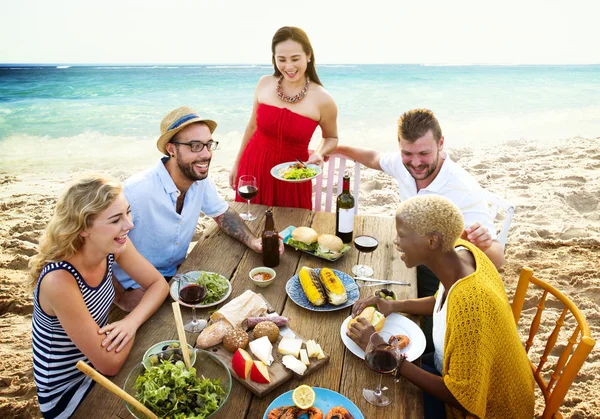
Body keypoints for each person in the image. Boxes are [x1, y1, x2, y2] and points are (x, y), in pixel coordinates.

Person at [348, 195, 534, 419]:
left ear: (432, 241)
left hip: (486, 407)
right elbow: (443, 302)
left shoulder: (471, 303)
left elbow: (462, 397)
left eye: (402, 235)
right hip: (453, 372)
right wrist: (392, 305)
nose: (396, 241)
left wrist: (384, 352)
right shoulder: (462, 253)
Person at [335, 108, 504, 352]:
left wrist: (485, 243)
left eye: (424, 153)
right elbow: (374, 158)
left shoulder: (464, 189)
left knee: (418, 347)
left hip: (443, 273)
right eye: (407, 153)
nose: (415, 162)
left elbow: (497, 261)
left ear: (441, 143)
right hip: (417, 261)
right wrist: (336, 148)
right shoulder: (403, 163)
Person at [113, 106, 282, 311]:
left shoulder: (199, 180)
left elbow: (222, 213)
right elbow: (95, 247)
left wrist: (253, 241)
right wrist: (120, 296)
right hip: (136, 288)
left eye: (208, 145)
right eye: (195, 146)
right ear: (171, 149)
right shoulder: (136, 191)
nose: (206, 154)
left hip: (179, 278)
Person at [29, 175, 169, 418]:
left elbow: (159, 285)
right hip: (68, 392)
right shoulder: (59, 280)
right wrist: (133, 324)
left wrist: (130, 322)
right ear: (83, 228)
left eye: (128, 213)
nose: (129, 225)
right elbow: (109, 364)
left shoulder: (113, 245)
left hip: (102, 350)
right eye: (116, 220)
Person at [229, 26, 339, 210]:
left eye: (295, 59)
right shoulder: (264, 83)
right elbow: (251, 127)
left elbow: (331, 137)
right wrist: (237, 164)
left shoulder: (323, 99)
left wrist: (319, 152)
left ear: (308, 55)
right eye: (281, 59)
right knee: (250, 224)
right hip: (254, 164)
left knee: (291, 232)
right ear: (274, 59)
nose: (289, 66)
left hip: (292, 175)